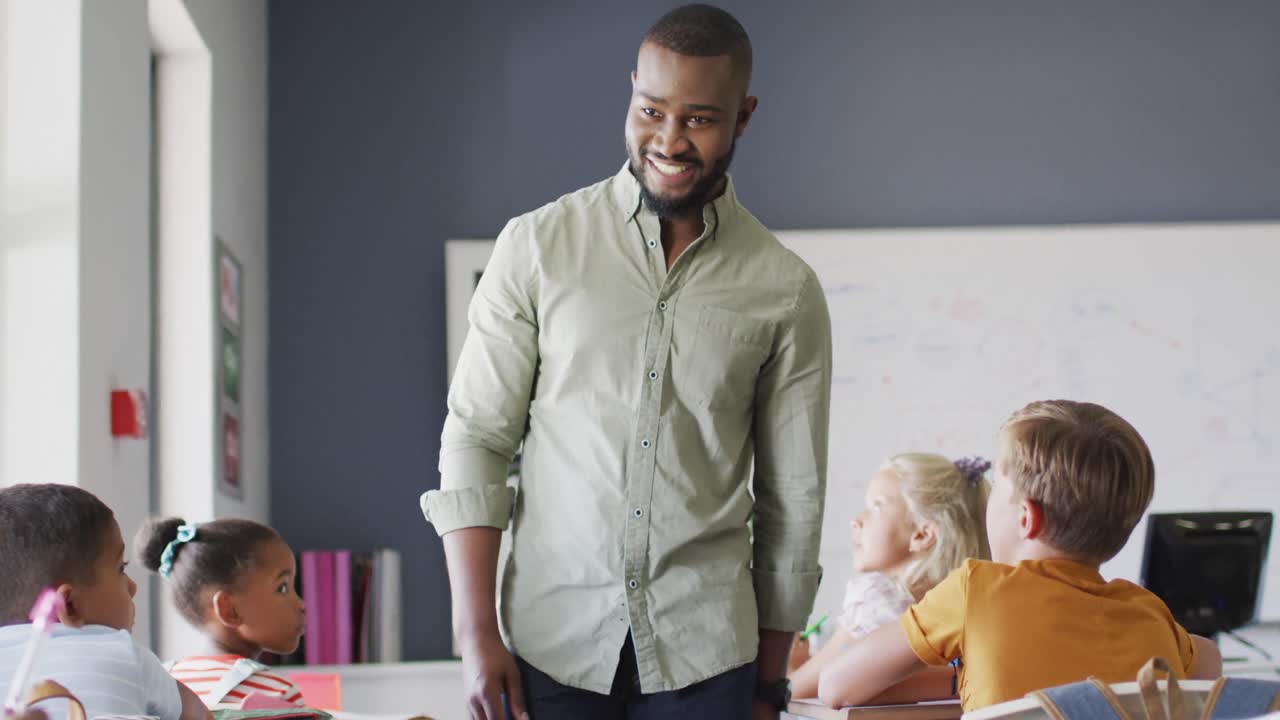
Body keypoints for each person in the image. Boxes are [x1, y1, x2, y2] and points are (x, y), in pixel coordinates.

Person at [419, 4, 832, 718]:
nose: (669, 140)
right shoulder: (537, 248)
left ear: (743, 117)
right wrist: (474, 632)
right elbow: (478, 439)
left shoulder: (785, 290)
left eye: (700, 119)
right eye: (652, 110)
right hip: (549, 647)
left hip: (708, 662)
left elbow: (792, 500)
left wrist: (770, 682)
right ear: (632, 91)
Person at [816, 400, 1224, 712]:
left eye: (998, 489)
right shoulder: (1150, 615)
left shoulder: (975, 589)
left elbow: (834, 686)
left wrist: (961, 670)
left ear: (1026, 517)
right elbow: (1209, 662)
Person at [789, 453, 990, 701]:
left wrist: (790, 668)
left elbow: (797, 689)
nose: (856, 520)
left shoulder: (875, 600)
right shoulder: (952, 604)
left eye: (877, 505)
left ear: (922, 534)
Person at [0, 484, 209, 720]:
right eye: (121, 568)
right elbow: (201, 715)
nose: (133, 586)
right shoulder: (120, 649)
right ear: (69, 605)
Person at [136, 518, 307, 709]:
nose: (301, 604)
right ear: (230, 610)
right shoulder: (278, 693)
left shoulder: (159, 682)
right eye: (282, 588)